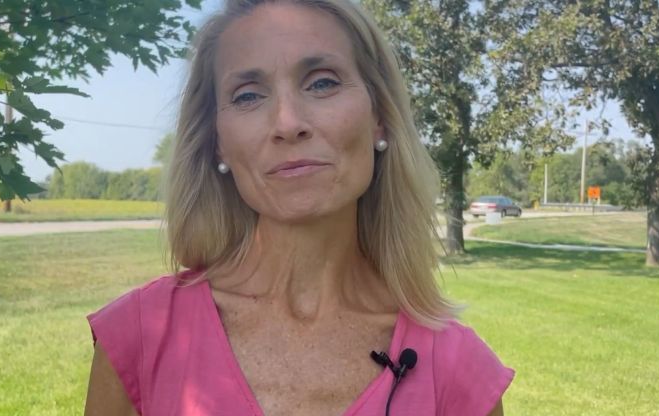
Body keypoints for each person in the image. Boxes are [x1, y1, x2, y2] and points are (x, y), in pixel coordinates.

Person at [84, 0, 515, 414]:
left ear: (378, 117)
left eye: (322, 82)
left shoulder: (457, 369)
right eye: (248, 95)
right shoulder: (140, 338)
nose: (288, 123)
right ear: (217, 141)